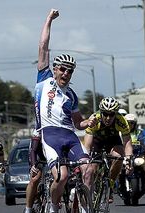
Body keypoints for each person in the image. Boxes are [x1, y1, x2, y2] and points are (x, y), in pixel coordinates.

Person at [33, 9, 97, 213]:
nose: (66, 73)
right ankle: (53, 206)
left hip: (69, 135)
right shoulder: (44, 79)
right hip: (49, 134)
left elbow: (79, 123)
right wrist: (49, 19)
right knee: (62, 176)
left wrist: (89, 123)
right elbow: (43, 46)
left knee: (89, 168)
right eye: (62, 69)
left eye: (70, 70)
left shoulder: (72, 95)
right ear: (55, 69)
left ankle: (86, 208)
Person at [83, 97, 133, 203]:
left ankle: (110, 184)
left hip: (112, 140)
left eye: (111, 114)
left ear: (116, 114)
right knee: (93, 166)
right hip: (97, 141)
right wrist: (86, 158)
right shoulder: (94, 119)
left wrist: (129, 159)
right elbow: (87, 144)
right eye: (105, 114)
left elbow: (127, 142)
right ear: (101, 112)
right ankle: (95, 185)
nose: (108, 117)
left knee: (119, 157)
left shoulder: (121, 120)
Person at [24, 130, 45, 212]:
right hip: (37, 154)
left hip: (52, 155)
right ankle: (28, 209)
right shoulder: (39, 130)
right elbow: (33, 151)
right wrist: (33, 165)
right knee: (35, 179)